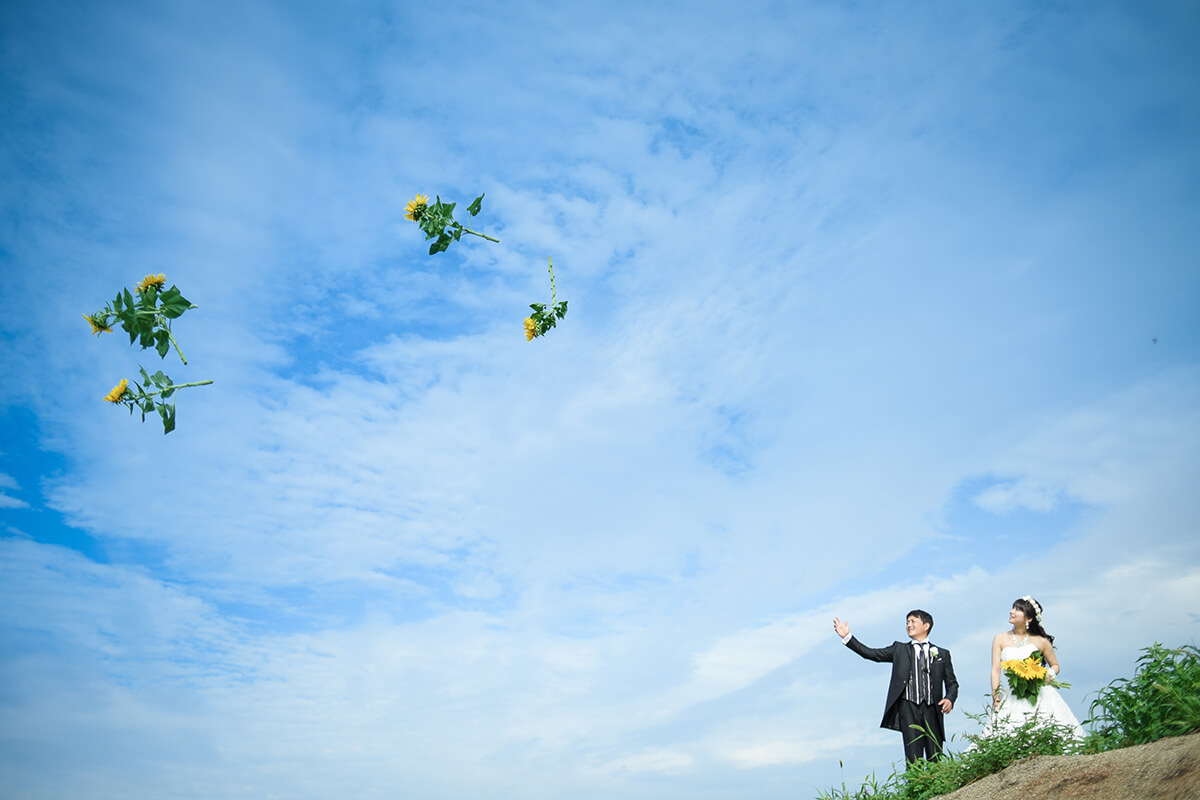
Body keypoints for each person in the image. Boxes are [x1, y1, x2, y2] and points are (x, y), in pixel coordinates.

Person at [833, 610, 959, 763]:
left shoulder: (942, 654)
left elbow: (952, 684)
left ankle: (939, 786)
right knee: (913, 758)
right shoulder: (899, 649)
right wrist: (847, 637)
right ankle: (915, 786)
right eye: (907, 622)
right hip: (908, 708)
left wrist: (949, 699)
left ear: (926, 625)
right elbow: (871, 654)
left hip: (933, 709)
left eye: (913, 621)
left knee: (935, 756)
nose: (908, 625)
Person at [984, 596, 1084, 739]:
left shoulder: (1041, 641)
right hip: (1012, 693)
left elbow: (1055, 665)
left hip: (1039, 692)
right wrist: (996, 697)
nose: (1012, 612)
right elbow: (995, 669)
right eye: (1013, 608)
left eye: (1018, 609)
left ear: (1029, 619)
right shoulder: (1000, 639)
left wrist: (1048, 674)